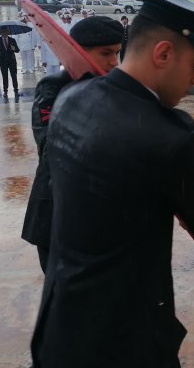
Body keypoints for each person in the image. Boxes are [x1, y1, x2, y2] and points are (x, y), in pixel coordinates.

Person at [27, 0, 194, 368]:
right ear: (163, 53)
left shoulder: (70, 99)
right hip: (126, 347)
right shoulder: (171, 135)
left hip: (64, 329)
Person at [23, 16, 124, 273]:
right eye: (106, 53)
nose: (114, 61)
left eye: (117, 53)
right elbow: (48, 146)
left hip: (102, 217)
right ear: (78, 51)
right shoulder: (55, 86)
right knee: (64, 300)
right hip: (58, 213)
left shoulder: (114, 86)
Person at [0, 27, 21, 101]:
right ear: (1, 33)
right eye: (3, 32)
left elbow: (17, 50)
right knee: (5, 77)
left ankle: (16, 90)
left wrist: (14, 48)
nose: (5, 34)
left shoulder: (12, 40)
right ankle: (5, 91)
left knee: (14, 76)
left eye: (6, 32)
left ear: (8, 32)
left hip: (12, 61)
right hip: (3, 62)